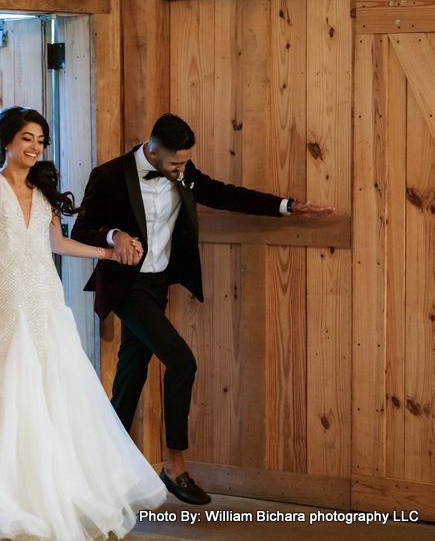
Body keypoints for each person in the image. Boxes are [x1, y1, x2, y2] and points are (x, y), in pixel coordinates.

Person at [0, 5, 167, 540]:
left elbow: (56, 244)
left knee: (54, 405)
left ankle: (58, 495)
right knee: (5, 406)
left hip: (47, 304)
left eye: (41, 140)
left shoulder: (44, 193)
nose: (35, 147)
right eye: (26, 138)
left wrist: (108, 253)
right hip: (4, 304)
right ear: (6, 142)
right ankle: (5, 501)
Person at [71, 114, 335, 506]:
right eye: (176, 164)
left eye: (185, 164)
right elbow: (79, 230)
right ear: (154, 150)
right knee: (182, 361)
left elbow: (227, 194)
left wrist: (288, 206)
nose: (182, 171)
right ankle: (174, 466)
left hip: (158, 285)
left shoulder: (181, 170)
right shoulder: (109, 175)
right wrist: (114, 235)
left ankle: (101, 472)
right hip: (127, 286)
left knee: (129, 377)